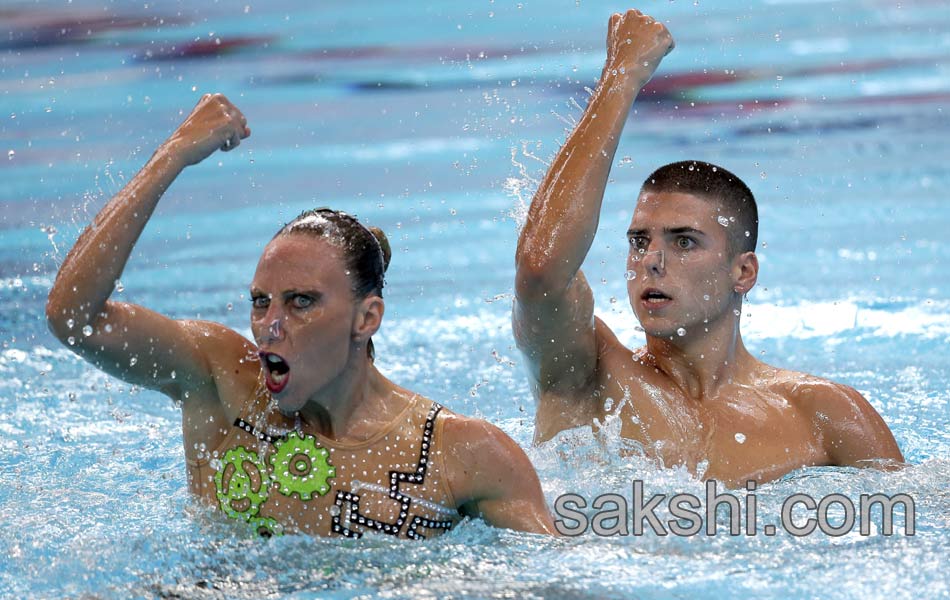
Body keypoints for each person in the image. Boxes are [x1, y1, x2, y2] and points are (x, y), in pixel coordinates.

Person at [46, 93, 556, 538]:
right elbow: (74, 316)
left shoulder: (462, 454)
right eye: (260, 300)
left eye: (301, 302)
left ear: (367, 318)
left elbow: (558, 579)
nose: (271, 323)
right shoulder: (221, 383)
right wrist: (171, 156)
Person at [513, 9, 903, 486]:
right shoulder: (589, 375)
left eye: (684, 242)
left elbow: (916, 525)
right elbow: (540, 269)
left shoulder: (823, 413)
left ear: (744, 272)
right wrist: (621, 76)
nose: (651, 261)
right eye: (639, 241)